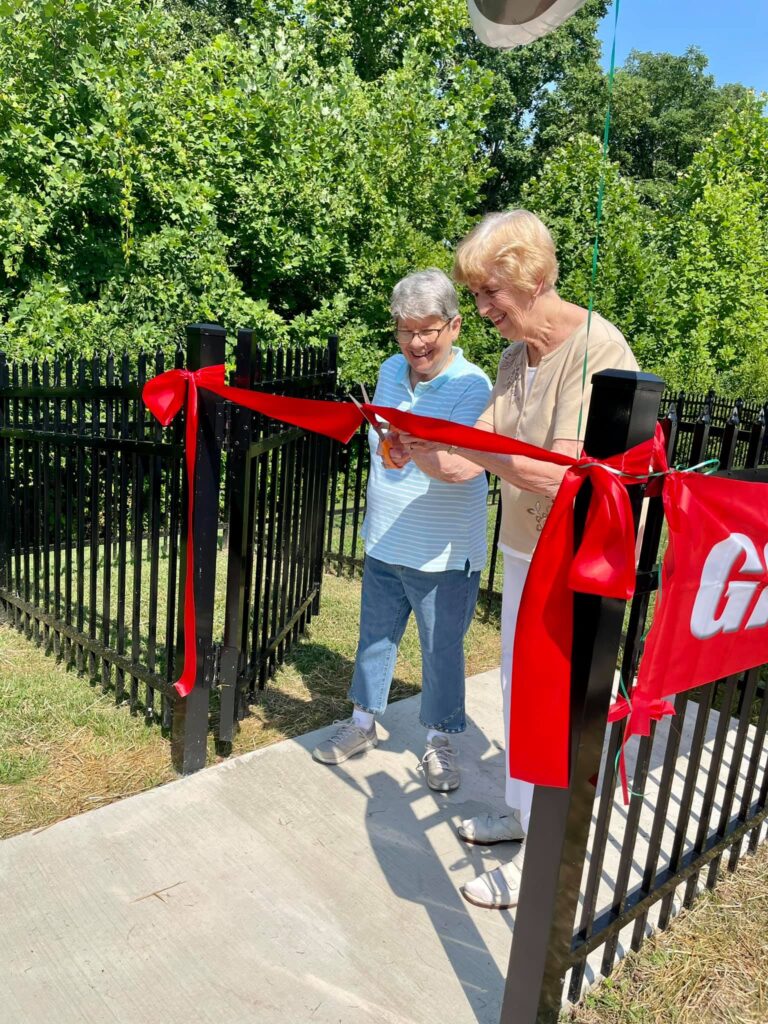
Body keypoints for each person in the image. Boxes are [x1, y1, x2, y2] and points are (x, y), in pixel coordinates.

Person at [399, 211, 639, 908]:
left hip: (577, 560)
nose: (481, 309)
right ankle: (523, 811)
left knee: (554, 703)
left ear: (533, 279)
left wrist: (455, 443)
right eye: (476, 294)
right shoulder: (514, 357)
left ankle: (547, 858)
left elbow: (561, 474)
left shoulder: (596, 348)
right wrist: (417, 445)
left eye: (490, 293)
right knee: (517, 690)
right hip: (524, 548)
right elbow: (470, 457)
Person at [312, 269, 492, 793]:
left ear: (454, 326)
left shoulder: (472, 385)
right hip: (386, 537)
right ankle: (362, 723)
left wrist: (411, 446)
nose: (415, 343)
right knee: (374, 638)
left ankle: (439, 741)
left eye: (427, 330)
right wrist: (395, 447)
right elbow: (383, 446)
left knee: (441, 650)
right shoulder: (390, 370)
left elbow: (463, 467)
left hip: (444, 553)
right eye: (405, 330)